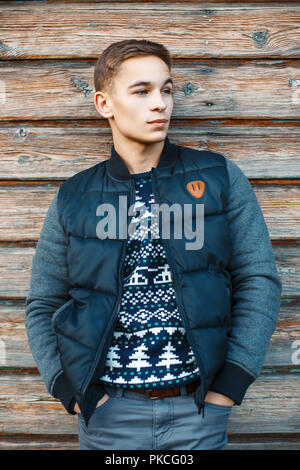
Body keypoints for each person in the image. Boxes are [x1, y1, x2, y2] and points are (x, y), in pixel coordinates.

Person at [25, 39, 282, 450]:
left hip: (199, 410)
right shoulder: (75, 196)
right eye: (141, 91)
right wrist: (73, 392)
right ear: (104, 104)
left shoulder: (219, 177)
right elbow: (43, 303)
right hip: (109, 417)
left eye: (166, 89)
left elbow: (259, 279)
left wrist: (229, 386)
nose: (159, 103)